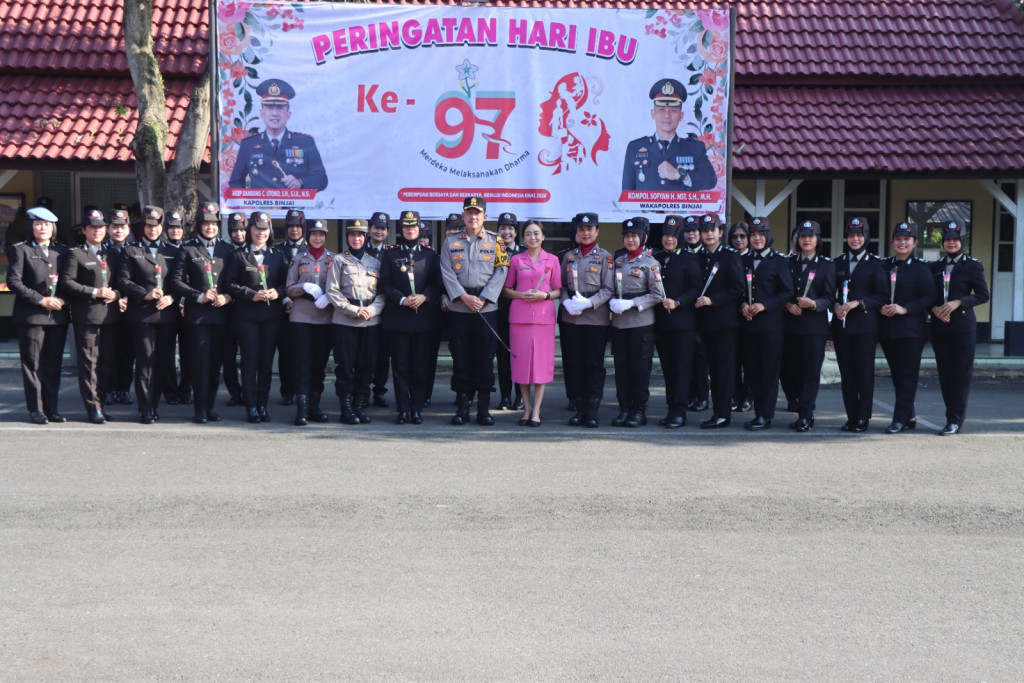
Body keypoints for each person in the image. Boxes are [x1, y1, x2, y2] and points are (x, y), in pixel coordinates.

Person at [439, 196, 509, 426]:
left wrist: (485, 298)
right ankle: (462, 408)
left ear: (485, 216)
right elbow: (447, 272)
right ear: (463, 215)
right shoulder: (451, 242)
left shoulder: (496, 241)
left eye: (477, 212)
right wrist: (463, 297)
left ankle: (483, 409)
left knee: (485, 359)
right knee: (461, 359)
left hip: (486, 308)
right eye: (469, 212)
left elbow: (501, 271)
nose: (473, 216)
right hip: (460, 308)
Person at [168, 201, 236, 424]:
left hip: (221, 315)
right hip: (197, 316)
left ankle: (210, 406)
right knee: (199, 363)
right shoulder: (187, 249)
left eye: (214, 223)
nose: (210, 227)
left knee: (215, 364)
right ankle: (199, 409)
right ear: (199, 225)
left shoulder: (227, 249)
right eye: (206, 223)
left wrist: (228, 296)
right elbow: (176, 281)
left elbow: (233, 282)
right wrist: (198, 295)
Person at [225, 211, 290, 423]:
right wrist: (251, 295)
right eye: (256, 228)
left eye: (264, 229)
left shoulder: (278, 255)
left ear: (269, 230)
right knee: (249, 361)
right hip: (247, 316)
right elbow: (230, 284)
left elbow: (285, 283)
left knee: (265, 363)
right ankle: (250, 406)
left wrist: (277, 292)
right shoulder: (238, 255)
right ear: (249, 230)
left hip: (272, 316)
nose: (260, 233)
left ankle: (262, 404)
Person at [60, 208, 125, 424]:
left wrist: (117, 293)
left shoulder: (114, 254)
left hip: (110, 316)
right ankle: (92, 407)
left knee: (107, 363)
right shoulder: (76, 253)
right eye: (92, 227)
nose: (97, 231)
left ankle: (102, 402)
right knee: (90, 364)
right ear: (85, 230)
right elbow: (67, 282)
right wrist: (94, 291)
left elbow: (122, 282)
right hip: (87, 316)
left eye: (100, 227)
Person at [7, 205, 70, 424]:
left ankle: (52, 409)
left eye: (46, 224)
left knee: (53, 365)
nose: (42, 228)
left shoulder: (62, 251)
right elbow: (14, 282)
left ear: (53, 228)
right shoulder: (21, 249)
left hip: (57, 316)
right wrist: (41, 300)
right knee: (32, 365)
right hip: (31, 315)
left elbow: (69, 282)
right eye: (37, 224)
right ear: (32, 226)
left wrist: (63, 299)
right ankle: (36, 409)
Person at [116, 205, 179, 424]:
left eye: (157, 225)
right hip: (141, 314)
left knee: (162, 362)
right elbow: (123, 280)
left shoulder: (172, 251)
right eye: (149, 225)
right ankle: (144, 407)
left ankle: (153, 403)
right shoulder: (130, 250)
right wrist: (145, 293)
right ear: (142, 226)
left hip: (166, 314)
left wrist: (172, 297)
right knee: (145, 360)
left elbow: (179, 282)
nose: (153, 230)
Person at [379, 211, 442, 424]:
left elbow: (437, 284)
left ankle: (417, 408)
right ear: (401, 229)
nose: (409, 230)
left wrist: (425, 296)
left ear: (419, 228)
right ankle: (403, 410)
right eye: (406, 226)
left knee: (420, 366)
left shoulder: (430, 255)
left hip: (423, 320)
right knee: (400, 367)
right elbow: (384, 283)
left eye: (413, 226)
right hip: (398, 318)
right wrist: (401, 299)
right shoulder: (390, 254)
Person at [929, 220, 989, 436]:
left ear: (962, 241)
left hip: (963, 327)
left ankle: (955, 420)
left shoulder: (972, 265)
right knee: (945, 374)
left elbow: (983, 295)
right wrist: (933, 308)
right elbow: (928, 296)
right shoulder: (934, 267)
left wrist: (958, 302)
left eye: (955, 239)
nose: (951, 243)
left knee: (960, 375)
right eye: (948, 239)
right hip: (940, 327)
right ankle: (949, 416)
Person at [502, 220, 562, 426]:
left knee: (540, 366)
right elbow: (506, 289)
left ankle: (537, 410)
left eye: (536, 233)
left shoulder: (552, 260)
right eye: (528, 234)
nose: (533, 237)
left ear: (543, 236)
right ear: (523, 238)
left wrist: (544, 295)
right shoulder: (517, 260)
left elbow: (558, 290)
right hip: (519, 318)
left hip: (543, 319)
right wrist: (522, 294)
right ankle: (526, 409)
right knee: (521, 365)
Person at [878, 221, 935, 434]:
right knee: (896, 374)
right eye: (899, 239)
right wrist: (879, 307)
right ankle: (909, 415)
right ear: (893, 242)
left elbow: (929, 296)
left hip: (911, 329)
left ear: (915, 242)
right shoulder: (884, 265)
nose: (902, 243)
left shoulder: (921, 267)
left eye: (907, 239)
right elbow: (878, 291)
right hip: (888, 329)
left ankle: (899, 419)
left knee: (907, 375)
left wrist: (906, 309)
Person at [327, 219, 386, 425]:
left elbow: (382, 294)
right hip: (345, 321)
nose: (356, 238)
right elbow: (332, 291)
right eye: (352, 235)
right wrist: (353, 310)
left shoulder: (375, 262)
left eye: (360, 235)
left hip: (370, 321)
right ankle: (346, 408)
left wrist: (370, 310)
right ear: (347, 238)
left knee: (366, 366)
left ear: (366, 237)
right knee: (345, 366)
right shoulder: (339, 261)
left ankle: (360, 405)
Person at [831, 217, 887, 433]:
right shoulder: (838, 262)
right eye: (851, 235)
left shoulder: (876, 263)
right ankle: (851, 416)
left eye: (859, 235)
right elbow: (829, 292)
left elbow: (882, 296)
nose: (855, 239)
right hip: (842, 326)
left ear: (866, 237)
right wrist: (835, 304)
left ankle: (863, 417)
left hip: (865, 327)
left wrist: (859, 302)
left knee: (863, 372)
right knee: (847, 374)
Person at [608, 218, 666, 427]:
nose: (630, 240)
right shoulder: (619, 261)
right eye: (627, 236)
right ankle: (624, 408)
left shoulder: (651, 264)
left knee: (640, 370)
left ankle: (639, 410)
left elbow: (657, 295)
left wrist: (632, 303)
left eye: (634, 236)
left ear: (644, 238)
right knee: (621, 369)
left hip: (641, 325)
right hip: (619, 325)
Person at [559, 212, 614, 428]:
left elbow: (609, 288)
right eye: (581, 230)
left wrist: (589, 303)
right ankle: (578, 408)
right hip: (570, 318)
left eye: (589, 229)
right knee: (573, 364)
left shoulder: (605, 258)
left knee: (593, 365)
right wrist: (565, 302)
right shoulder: (568, 257)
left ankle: (592, 410)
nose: (585, 233)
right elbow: (561, 285)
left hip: (595, 319)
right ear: (577, 232)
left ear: (597, 231)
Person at [738, 217, 793, 431]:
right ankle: (757, 412)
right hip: (749, 325)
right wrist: (742, 304)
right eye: (753, 235)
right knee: (752, 371)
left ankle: (765, 415)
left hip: (771, 325)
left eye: (761, 235)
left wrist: (765, 306)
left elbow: (787, 292)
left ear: (767, 236)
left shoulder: (778, 261)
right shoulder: (743, 261)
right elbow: (738, 289)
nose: (757, 238)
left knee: (768, 372)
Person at [781, 220, 836, 432]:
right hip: (791, 326)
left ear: (817, 240)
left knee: (810, 372)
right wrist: (787, 305)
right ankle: (798, 407)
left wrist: (814, 304)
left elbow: (830, 297)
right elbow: (782, 291)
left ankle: (806, 415)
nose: (806, 240)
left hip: (814, 328)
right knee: (791, 372)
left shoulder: (826, 265)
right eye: (803, 236)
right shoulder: (789, 263)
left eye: (810, 237)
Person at [227, 79, 328, 191]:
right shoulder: (248, 145)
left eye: (280, 108)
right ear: (262, 112)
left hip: (293, 207)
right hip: (260, 208)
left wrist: (300, 182)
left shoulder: (305, 143)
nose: (275, 114)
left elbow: (321, 179)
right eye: (269, 108)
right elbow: (235, 182)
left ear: (288, 114)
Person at [621, 79, 716, 192]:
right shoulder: (635, 148)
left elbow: (710, 180)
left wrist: (680, 175)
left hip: (680, 210)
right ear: (653, 114)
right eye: (661, 110)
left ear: (681, 116)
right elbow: (627, 194)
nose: (666, 115)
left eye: (673, 110)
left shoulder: (695, 148)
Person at [694, 214, 744, 429]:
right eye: (705, 231)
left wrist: (712, 300)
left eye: (712, 230)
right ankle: (718, 411)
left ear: (720, 233)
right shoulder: (698, 257)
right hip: (705, 323)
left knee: (723, 370)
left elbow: (737, 288)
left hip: (725, 323)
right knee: (713, 369)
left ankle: (723, 414)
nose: (709, 234)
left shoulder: (729, 256)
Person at [284, 219, 335, 426]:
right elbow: (288, 287)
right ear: (308, 236)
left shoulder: (333, 259)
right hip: (302, 316)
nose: (317, 237)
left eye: (321, 234)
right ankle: (302, 409)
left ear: (325, 236)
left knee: (319, 364)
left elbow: (340, 286)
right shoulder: (298, 259)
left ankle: (315, 406)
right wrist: (303, 288)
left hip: (324, 317)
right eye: (314, 234)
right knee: (302, 363)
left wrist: (330, 296)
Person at [653, 215, 701, 429]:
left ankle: (679, 412)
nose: (669, 239)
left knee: (681, 368)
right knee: (668, 369)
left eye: (673, 235)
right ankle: (671, 407)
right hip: (662, 323)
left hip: (683, 323)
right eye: (666, 235)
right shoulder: (658, 258)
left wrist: (678, 302)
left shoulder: (689, 258)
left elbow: (695, 288)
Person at [272, 209, 308, 407]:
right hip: (283, 309)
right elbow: (275, 280)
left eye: (298, 226)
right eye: (291, 226)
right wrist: (285, 300)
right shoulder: (277, 250)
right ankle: (287, 391)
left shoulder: (312, 249)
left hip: (304, 309)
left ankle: (303, 390)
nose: (294, 230)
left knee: (302, 352)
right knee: (285, 353)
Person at [104, 212, 136, 406]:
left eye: (122, 227)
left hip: (130, 307)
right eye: (115, 227)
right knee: (108, 352)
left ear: (128, 229)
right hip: (107, 307)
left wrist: (126, 297)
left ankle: (124, 389)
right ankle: (108, 389)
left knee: (127, 352)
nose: (118, 230)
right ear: (108, 229)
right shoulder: (102, 251)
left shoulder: (135, 251)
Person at [161, 210, 191, 406]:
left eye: (178, 227)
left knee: (189, 352)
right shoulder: (161, 251)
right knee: (166, 352)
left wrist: (183, 300)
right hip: (166, 307)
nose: (175, 231)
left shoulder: (191, 249)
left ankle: (186, 390)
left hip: (188, 307)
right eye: (171, 227)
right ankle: (170, 392)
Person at [681, 216, 711, 413]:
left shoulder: (706, 255)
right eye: (688, 231)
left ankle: (702, 397)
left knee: (701, 359)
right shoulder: (681, 254)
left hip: (703, 314)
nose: (691, 234)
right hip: (684, 313)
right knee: (686, 359)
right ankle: (689, 395)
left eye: (694, 231)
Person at [495, 212, 524, 411]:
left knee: (519, 356)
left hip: (520, 311)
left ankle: (521, 397)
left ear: (516, 232)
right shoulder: (490, 250)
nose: (506, 232)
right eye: (502, 228)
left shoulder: (524, 252)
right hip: (497, 310)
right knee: (503, 356)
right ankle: (505, 396)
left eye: (510, 228)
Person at [366, 211, 392, 408]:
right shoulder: (359, 249)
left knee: (383, 354)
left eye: (382, 229)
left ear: (387, 232)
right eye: (376, 227)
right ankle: (363, 390)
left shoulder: (391, 252)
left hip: (388, 309)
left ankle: (379, 390)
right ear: (369, 229)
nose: (378, 231)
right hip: (364, 309)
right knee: (366, 354)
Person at [222, 212, 248, 406]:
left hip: (247, 310)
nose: (238, 234)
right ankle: (234, 392)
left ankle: (248, 391)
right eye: (234, 231)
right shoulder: (223, 250)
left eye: (242, 230)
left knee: (248, 355)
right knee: (228, 355)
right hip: (224, 311)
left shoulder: (255, 251)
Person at [727, 221, 753, 413]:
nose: (738, 240)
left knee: (749, 360)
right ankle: (735, 394)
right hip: (731, 317)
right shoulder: (727, 258)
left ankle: (748, 396)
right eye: (735, 236)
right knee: (732, 360)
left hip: (752, 317)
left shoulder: (754, 259)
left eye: (742, 236)